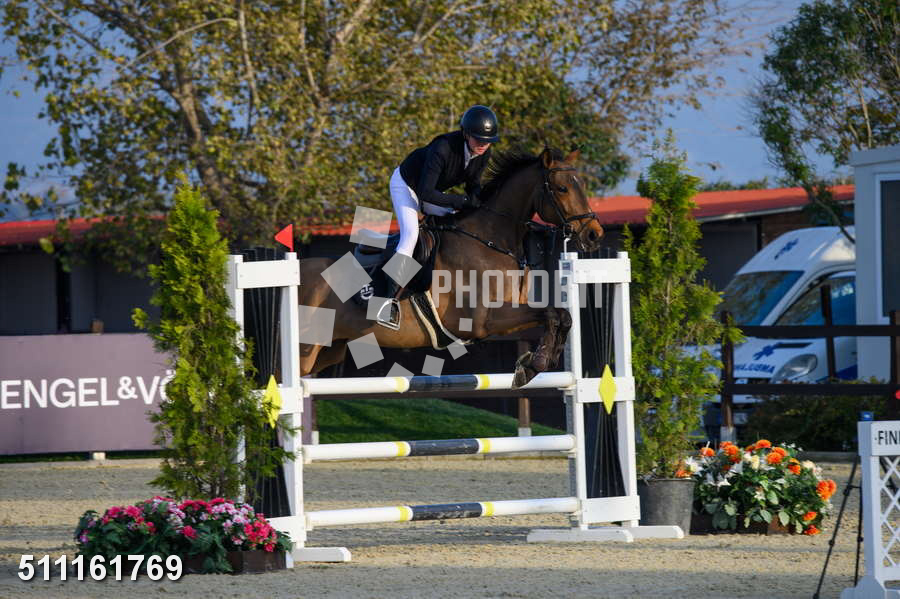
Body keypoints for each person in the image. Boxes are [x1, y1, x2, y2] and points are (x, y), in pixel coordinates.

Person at [373, 104, 500, 328]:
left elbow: (473, 185)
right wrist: (462, 202)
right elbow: (425, 193)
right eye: (478, 139)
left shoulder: (483, 153)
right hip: (407, 186)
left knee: (459, 226)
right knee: (410, 236)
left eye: (487, 141)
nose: (483, 144)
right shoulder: (443, 148)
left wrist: (483, 207)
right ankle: (384, 303)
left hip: (431, 191)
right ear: (466, 134)